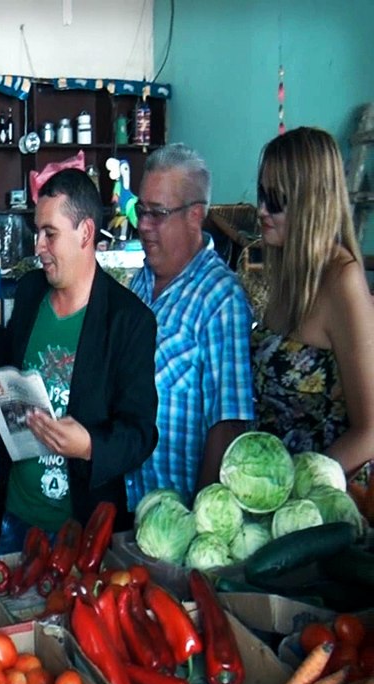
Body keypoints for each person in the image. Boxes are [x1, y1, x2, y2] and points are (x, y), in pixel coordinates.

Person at [0, 168, 158, 552]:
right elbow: (4, 354)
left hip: (82, 528)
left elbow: (141, 433)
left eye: (50, 234)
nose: (38, 246)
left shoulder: (129, 321)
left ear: (86, 233)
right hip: (17, 517)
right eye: (37, 233)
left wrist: (89, 445)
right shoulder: (30, 291)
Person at [126, 144, 254, 509]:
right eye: (141, 210)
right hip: (127, 510)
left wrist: (197, 521)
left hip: (177, 518)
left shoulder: (220, 299)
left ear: (195, 215)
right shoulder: (141, 282)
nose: (144, 225)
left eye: (158, 213)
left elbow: (228, 425)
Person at [252, 127, 374, 482]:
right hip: (268, 488)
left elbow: (369, 432)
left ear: (310, 200)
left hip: (316, 500)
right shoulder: (288, 272)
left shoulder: (342, 279)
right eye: (261, 194)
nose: (261, 209)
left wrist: (294, 489)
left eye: (275, 198)